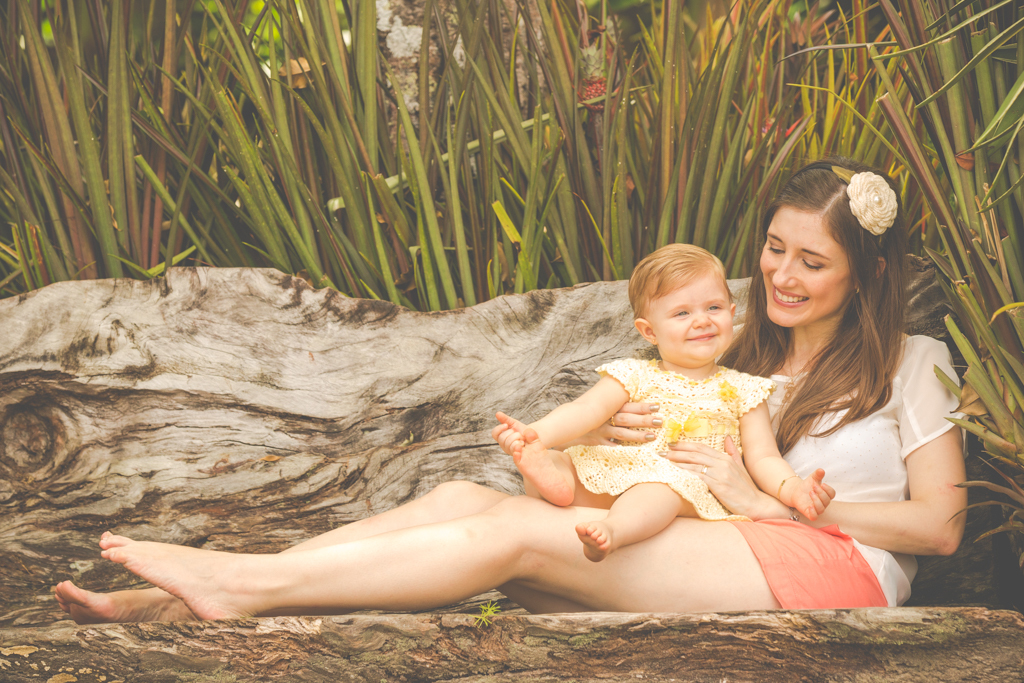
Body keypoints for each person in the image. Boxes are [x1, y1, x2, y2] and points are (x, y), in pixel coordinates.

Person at [53, 157, 966, 623]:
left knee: (522, 536)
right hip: (711, 543)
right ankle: (178, 601)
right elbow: (643, 437)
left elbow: (939, 528)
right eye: (775, 248)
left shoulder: (913, 361)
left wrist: (760, 502)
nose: (783, 274)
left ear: (868, 272)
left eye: (814, 261)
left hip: (835, 574)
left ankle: (242, 587)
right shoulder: (732, 348)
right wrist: (618, 439)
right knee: (463, 496)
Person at [495, 244, 831, 563]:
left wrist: (793, 491)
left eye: (713, 308)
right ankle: (553, 483)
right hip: (621, 470)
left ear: (732, 313)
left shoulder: (743, 389)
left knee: (660, 488)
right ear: (649, 331)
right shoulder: (633, 374)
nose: (701, 320)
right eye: (682, 313)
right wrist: (536, 434)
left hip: (686, 485)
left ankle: (613, 531)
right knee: (562, 462)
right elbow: (584, 411)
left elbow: (763, 457)